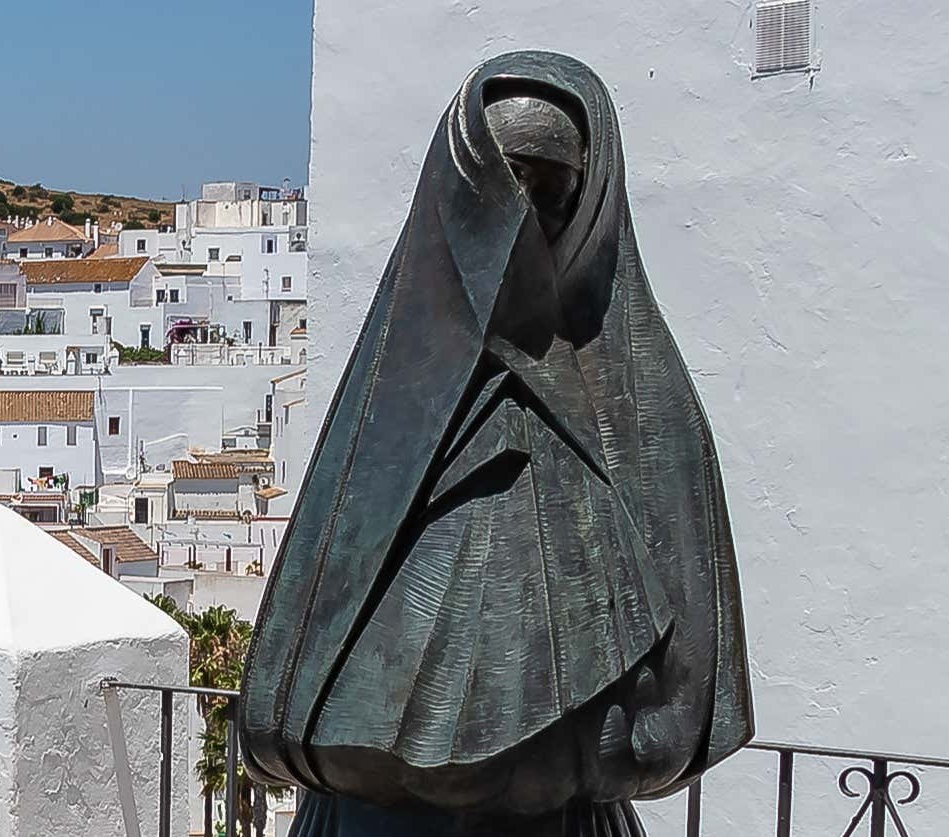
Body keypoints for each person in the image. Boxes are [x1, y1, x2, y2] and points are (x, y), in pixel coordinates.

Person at [240, 51, 755, 837]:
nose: (523, 213)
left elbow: (678, 705)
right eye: (506, 180)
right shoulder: (387, 396)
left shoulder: (646, 408)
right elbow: (291, 686)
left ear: (587, 202)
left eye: (551, 191)